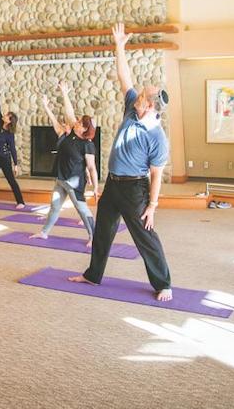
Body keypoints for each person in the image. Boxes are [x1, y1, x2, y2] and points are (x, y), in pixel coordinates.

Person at [69, 23, 173, 302]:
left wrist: (152, 206)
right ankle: (93, 275)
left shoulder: (157, 137)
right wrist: (119, 46)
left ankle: (163, 283)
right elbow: (124, 77)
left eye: (140, 98)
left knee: (145, 237)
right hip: (113, 184)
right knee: (103, 231)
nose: (135, 97)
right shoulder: (132, 107)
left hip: (135, 189)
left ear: (149, 107)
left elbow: (156, 175)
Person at [30, 84, 97, 245]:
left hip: (74, 183)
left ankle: (94, 237)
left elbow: (92, 167)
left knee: (81, 209)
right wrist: (49, 105)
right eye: (78, 121)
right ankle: (44, 232)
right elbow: (64, 116)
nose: (76, 122)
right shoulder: (67, 135)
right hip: (61, 179)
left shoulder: (87, 144)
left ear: (85, 129)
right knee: (54, 206)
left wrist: (96, 187)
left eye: (80, 122)